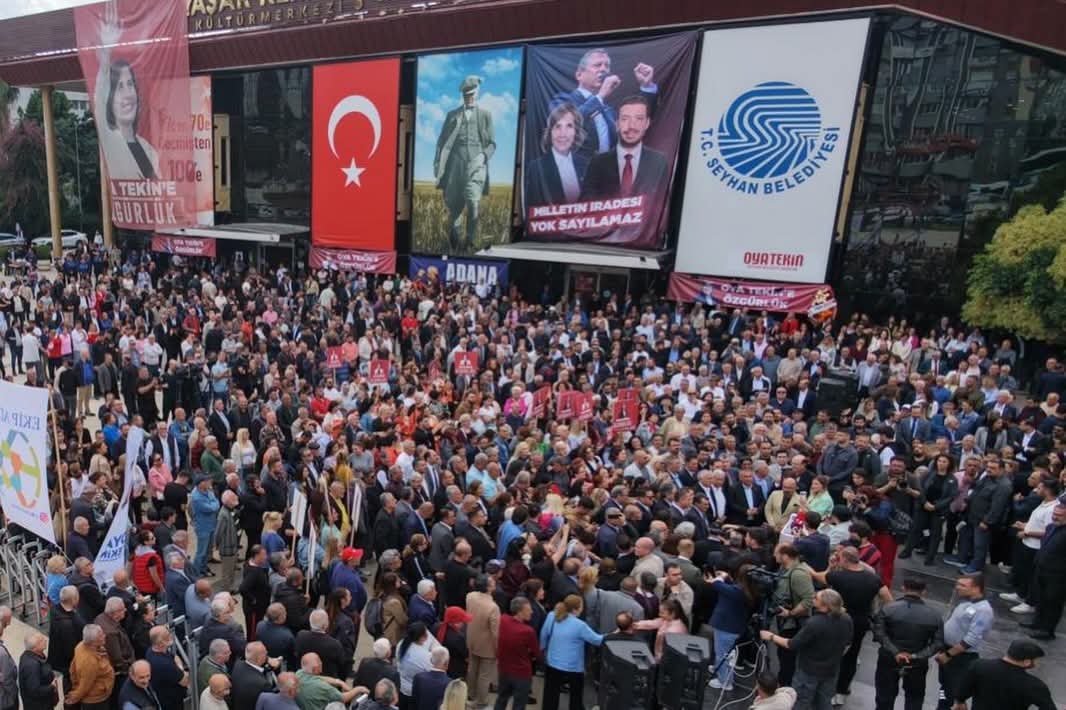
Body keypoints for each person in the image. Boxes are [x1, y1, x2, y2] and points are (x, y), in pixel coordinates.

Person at [549, 47, 657, 161]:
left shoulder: (608, 110)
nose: (603, 69)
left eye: (607, 66)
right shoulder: (563, 100)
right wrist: (600, 96)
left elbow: (637, 117)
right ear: (579, 75)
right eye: (597, 65)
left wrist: (647, 86)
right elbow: (568, 123)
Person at [93, 3, 160, 180]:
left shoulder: (149, 150)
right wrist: (106, 51)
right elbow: (100, 95)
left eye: (130, 84)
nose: (127, 94)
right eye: (119, 87)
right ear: (110, 100)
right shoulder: (111, 141)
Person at [433, 75, 496, 252]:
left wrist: (483, 156)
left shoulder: (485, 115)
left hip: (476, 167)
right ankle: (454, 245)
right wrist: (437, 165)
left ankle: (469, 242)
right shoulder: (452, 115)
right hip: (454, 167)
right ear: (462, 95)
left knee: (473, 204)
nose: (469, 97)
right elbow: (441, 142)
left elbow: (492, 144)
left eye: (472, 94)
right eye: (466, 95)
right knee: (454, 209)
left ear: (477, 93)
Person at [761, 589, 853, 710]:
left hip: (808, 672)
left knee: (800, 702)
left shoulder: (814, 623)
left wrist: (771, 636)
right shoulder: (846, 618)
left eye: (816, 598)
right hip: (831, 670)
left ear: (825, 606)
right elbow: (847, 645)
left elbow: (791, 644)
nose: (813, 597)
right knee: (824, 702)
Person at [872, 578, 945, 710]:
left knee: (884, 695)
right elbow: (937, 643)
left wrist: (896, 652)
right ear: (924, 592)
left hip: (888, 658)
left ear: (903, 588)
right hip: (917, 663)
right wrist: (916, 656)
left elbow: (879, 634)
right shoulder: (935, 615)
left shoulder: (888, 609)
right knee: (914, 698)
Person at [579, 95, 669, 201]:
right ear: (617, 124)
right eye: (625, 119)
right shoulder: (597, 163)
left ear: (647, 123)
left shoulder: (659, 161)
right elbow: (586, 203)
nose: (631, 126)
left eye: (639, 119)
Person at [935, 573, 993, 710]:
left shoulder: (984, 610)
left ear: (976, 588)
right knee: (945, 687)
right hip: (948, 652)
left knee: (952, 691)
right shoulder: (966, 602)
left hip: (960, 657)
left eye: (963, 585)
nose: (957, 587)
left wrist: (948, 654)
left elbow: (972, 638)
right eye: (958, 584)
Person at [539, 594, 604, 710]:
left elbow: (544, 635)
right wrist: (615, 634)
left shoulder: (552, 616)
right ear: (575, 609)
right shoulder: (580, 625)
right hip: (573, 667)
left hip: (553, 662)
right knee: (576, 696)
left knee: (550, 694)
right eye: (581, 606)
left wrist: (542, 651)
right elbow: (597, 640)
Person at [951, 639, 1056, 710]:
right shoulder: (1035, 686)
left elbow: (963, 689)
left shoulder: (979, 666)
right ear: (1027, 662)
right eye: (1036, 660)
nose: (1037, 664)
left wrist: (960, 702)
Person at [524, 102, 589, 206]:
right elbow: (531, 210)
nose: (563, 134)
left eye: (569, 126)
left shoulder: (587, 165)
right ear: (550, 132)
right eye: (557, 126)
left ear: (576, 132)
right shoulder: (536, 168)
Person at [1022, 492, 1066, 641]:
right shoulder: (1051, 527)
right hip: (1042, 568)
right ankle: (1037, 623)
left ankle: (1047, 630)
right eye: (1054, 514)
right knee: (1041, 599)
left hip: (1058, 574)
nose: (1054, 517)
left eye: (1059, 515)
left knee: (1052, 602)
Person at [769, 544, 815, 686]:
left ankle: (785, 687)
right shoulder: (785, 569)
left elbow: (809, 600)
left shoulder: (798, 574)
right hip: (785, 622)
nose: (774, 556)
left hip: (793, 624)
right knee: (783, 655)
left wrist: (790, 613)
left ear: (785, 556)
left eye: (776, 553)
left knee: (787, 658)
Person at [495, 596, 541, 710]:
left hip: (503, 670)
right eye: (528, 609)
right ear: (520, 612)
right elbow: (537, 653)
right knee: (519, 705)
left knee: (501, 699)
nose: (531, 611)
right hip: (521, 673)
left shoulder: (503, 619)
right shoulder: (528, 631)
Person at [465, 575, 500, 709]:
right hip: (487, 645)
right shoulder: (493, 607)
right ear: (488, 587)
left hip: (472, 639)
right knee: (484, 675)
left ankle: (471, 694)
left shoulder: (470, 596)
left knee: (472, 669)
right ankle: (481, 702)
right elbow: (495, 632)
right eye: (492, 582)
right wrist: (498, 649)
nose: (494, 582)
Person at [294, 652, 367, 710]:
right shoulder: (323, 687)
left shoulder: (299, 673)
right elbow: (344, 698)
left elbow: (318, 677)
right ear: (315, 669)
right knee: (337, 705)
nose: (321, 662)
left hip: (302, 706)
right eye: (319, 661)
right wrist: (358, 689)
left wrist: (338, 682)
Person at [67, 624, 115, 710]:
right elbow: (85, 685)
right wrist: (75, 696)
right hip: (96, 700)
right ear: (93, 641)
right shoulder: (90, 662)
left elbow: (72, 668)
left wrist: (75, 684)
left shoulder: (81, 645)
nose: (104, 636)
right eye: (101, 635)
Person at [145, 625, 189, 710]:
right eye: (167, 636)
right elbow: (185, 681)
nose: (171, 636)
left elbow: (175, 657)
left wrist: (178, 668)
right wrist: (181, 669)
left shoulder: (151, 650)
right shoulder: (164, 664)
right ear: (161, 643)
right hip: (171, 702)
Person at [231, 642, 278, 710]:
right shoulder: (263, 684)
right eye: (265, 653)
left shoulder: (238, 664)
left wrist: (268, 663)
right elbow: (271, 704)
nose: (267, 653)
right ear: (260, 658)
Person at [19, 631, 59, 710]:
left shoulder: (36, 654)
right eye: (41, 640)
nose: (45, 640)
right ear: (35, 647)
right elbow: (34, 691)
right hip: (39, 706)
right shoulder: (31, 665)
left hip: (45, 703)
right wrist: (52, 687)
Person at [411, 646, 450, 710]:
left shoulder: (418, 677)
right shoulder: (450, 683)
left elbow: (413, 703)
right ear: (446, 663)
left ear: (431, 660)